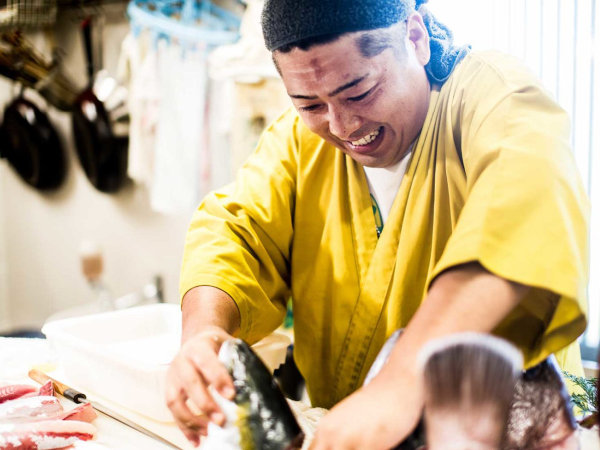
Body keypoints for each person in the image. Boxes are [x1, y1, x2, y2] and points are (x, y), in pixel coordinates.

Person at [165, 0, 590, 448]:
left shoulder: (494, 96)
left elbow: (522, 209)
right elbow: (235, 230)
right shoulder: (297, 144)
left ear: (415, 37)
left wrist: (405, 378)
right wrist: (203, 334)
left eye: (359, 92)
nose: (342, 126)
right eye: (309, 104)